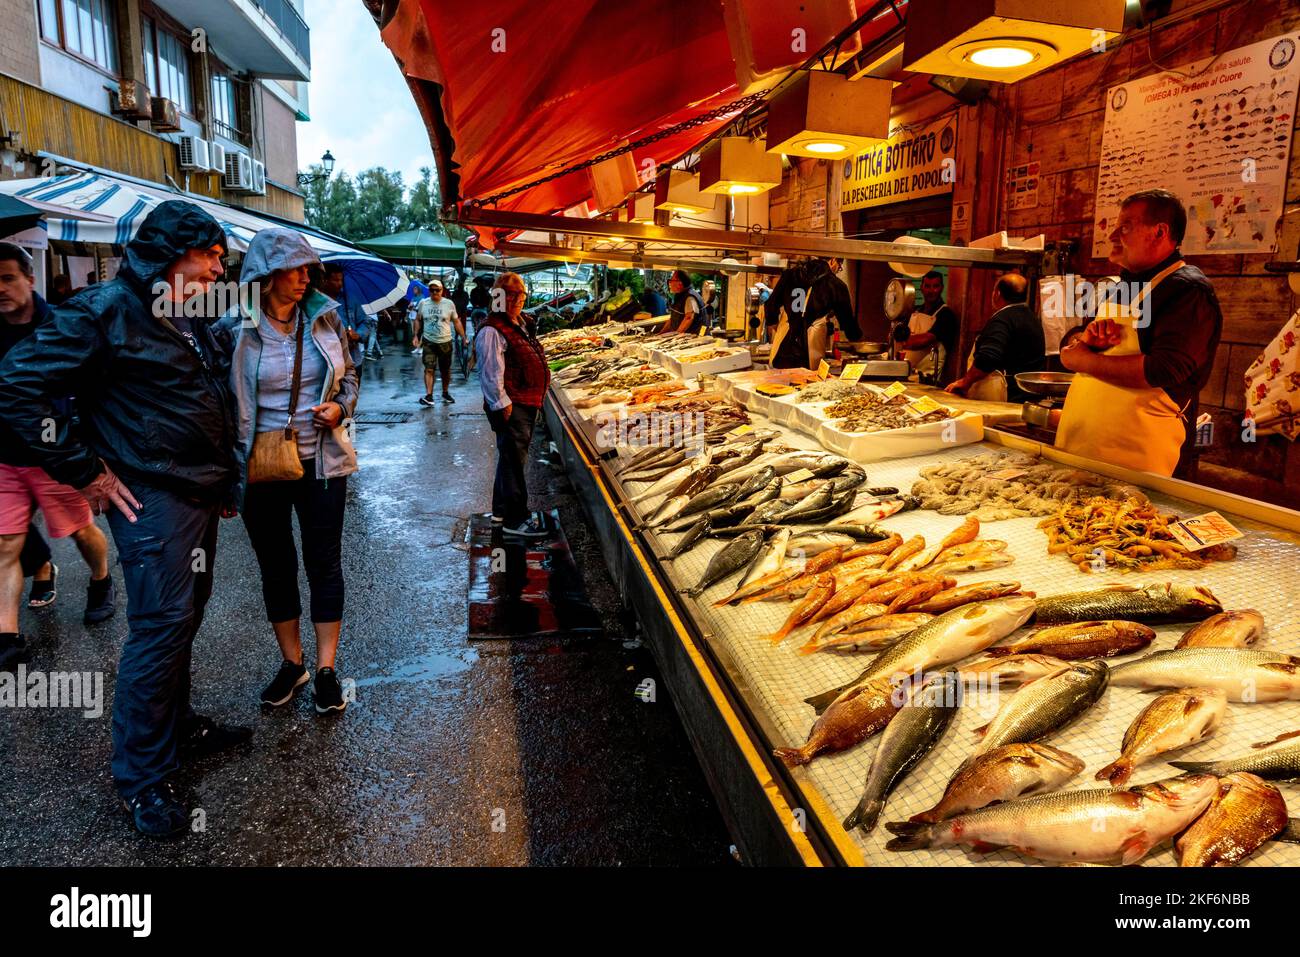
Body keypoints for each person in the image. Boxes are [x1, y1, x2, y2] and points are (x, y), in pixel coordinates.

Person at [0, 201, 250, 837]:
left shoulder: (181, 310)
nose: (221, 270)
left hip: (194, 491)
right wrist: (85, 471)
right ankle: (143, 778)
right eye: (212, 256)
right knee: (161, 626)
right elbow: (15, 386)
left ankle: (179, 725)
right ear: (172, 253)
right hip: (152, 498)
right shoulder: (103, 309)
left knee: (183, 616)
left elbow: (199, 393)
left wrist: (223, 476)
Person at [212, 229, 359, 715]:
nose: (304, 278)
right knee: (276, 565)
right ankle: (291, 663)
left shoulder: (325, 319)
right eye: (294, 270)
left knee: (324, 562)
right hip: (260, 465)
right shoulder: (233, 328)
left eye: (307, 270)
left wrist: (339, 406)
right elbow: (215, 400)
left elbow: (351, 375)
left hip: (322, 463)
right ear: (265, 275)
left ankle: (325, 669)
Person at [0, 244, 116, 671]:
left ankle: (102, 580)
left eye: (8, 277)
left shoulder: (59, 326)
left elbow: (87, 385)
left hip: (54, 456)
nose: (0, 288)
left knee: (81, 532)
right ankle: (7, 636)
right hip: (5, 458)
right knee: (6, 544)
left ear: (30, 279)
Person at [1056, 188, 1223, 477]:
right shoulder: (1123, 285)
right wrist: (1085, 342)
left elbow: (1165, 368)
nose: (1111, 237)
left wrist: (1082, 360)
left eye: (1125, 227)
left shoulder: (1187, 291)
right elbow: (1079, 338)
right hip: (1082, 452)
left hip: (1136, 465)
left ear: (1159, 233)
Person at [474, 272, 550, 538]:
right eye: (511, 294)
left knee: (509, 460)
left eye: (521, 294)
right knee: (514, 463)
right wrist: (502, 405)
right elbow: (490, 373)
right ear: (498, 296)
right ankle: (515, 520)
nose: (518, 299)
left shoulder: (518, 322)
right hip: (511, 405)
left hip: (523, 402)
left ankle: (500, 512)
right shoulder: (493, 329)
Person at [945, 273, 1045, 403]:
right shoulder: (1033, 319)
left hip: (1004, 400)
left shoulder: (1002, 319)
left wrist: (965, 382)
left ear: (997, 293)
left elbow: (988, 357)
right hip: (1027, 401)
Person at [765, 257, 861, 369]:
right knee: (809, 382)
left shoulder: (790, 275)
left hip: (782, 352)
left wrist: (779, 326)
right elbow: (848, 322)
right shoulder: (836, 285)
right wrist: (858, 341)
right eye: (839, 266)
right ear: (833, 260)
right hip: (811, 355)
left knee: (779, 385)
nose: (838, 270)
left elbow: (770, 305)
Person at [894, 270, 960, 383]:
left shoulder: (945, 314)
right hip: (905, 374)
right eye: (927, 286)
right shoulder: (914, 310)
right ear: (921, 287)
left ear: (941, 288)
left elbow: (923, 341)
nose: (931, 290)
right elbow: (896, 333)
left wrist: (901, 341)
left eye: (935, 286)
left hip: (927, 380)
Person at [413, 279, 464, 405]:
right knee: (429, 369)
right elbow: (418, 319)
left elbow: (456, 321)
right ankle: (429, 396)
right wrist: (415, 335)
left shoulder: (449, 304)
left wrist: (464, 337)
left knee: (445, 370)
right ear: (429, 291)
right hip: (429, 341)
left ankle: (445, 392)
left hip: (445, 342)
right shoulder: (423, 303)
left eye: (437, 290)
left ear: (442, 291)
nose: (435, 292)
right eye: (432, 290)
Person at [317, 263, 372, 378]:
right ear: (325, 280)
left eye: (341, 280)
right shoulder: (318, 303)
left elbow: (365, 322)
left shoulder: (351, 299)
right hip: (328, 364)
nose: (340, 284)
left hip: (353, 360)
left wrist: (357, 335)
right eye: (335, 280)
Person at [660, 270, 705, 334]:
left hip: (694, 338)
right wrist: (661, 333)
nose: (670, 284)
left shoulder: (690, 297)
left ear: (680, 283)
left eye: (672, 281)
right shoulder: (679, 296)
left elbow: (689, 318)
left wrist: (676, 335)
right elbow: (672, 319)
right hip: (682, 336)